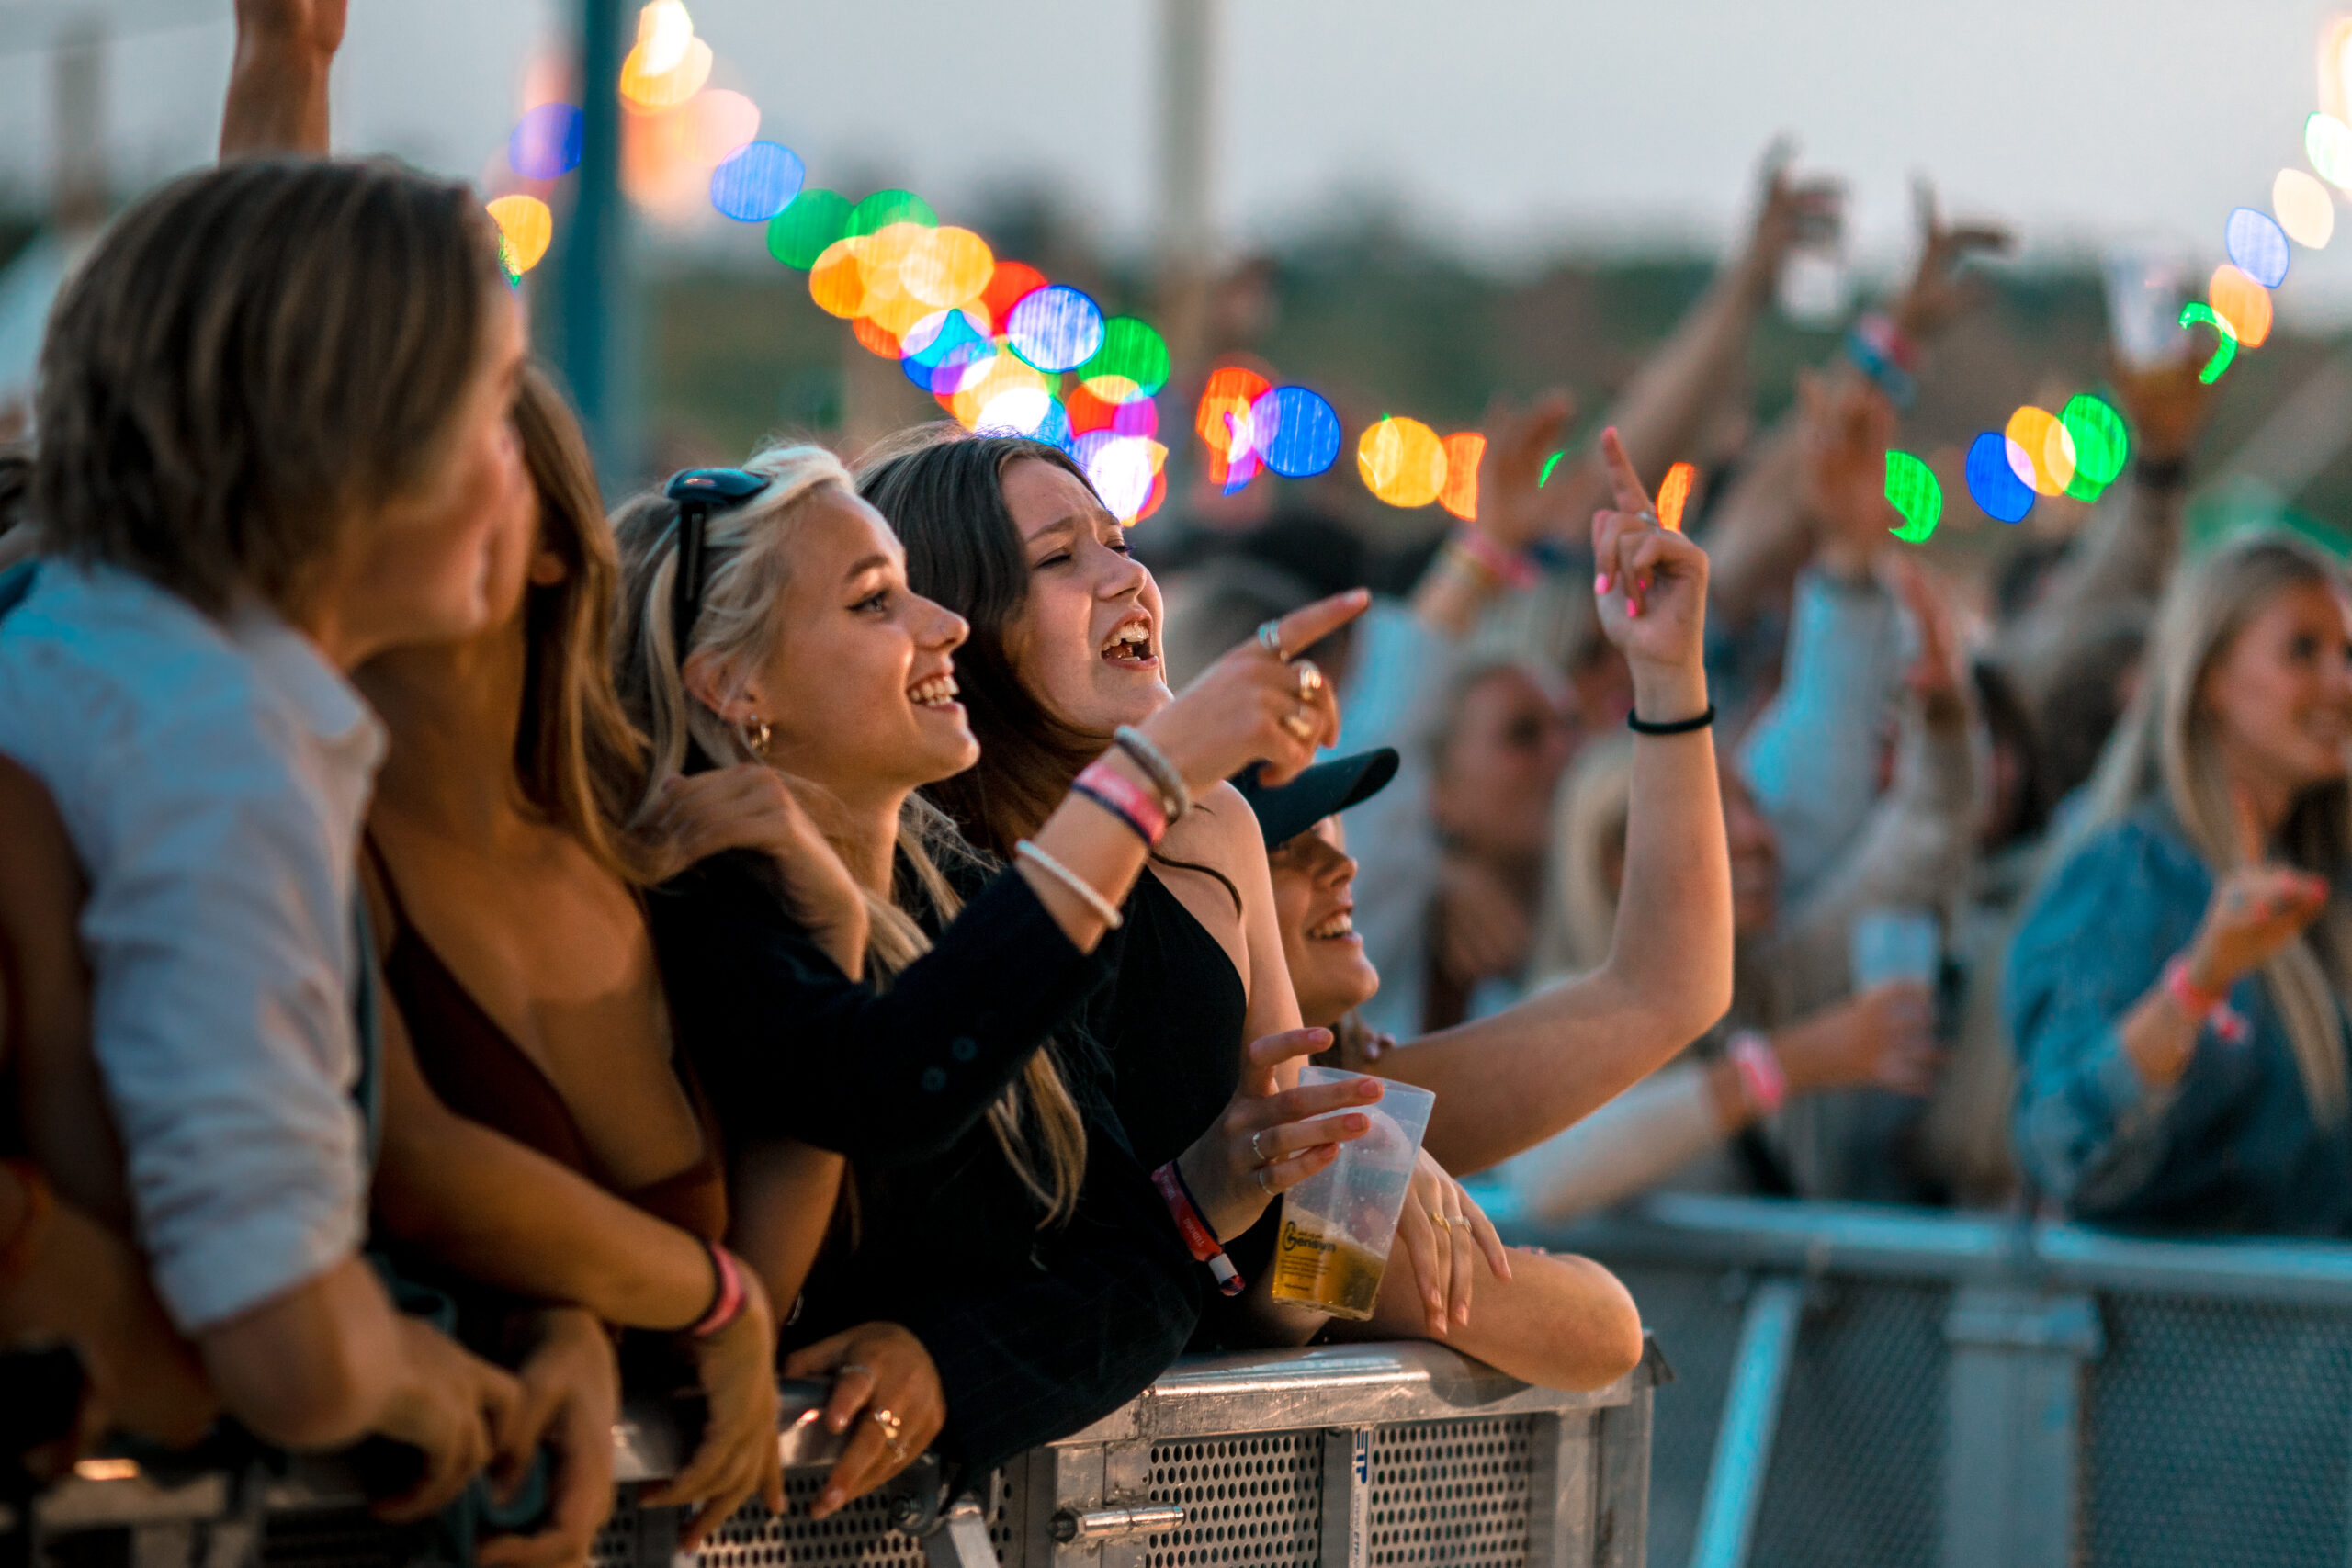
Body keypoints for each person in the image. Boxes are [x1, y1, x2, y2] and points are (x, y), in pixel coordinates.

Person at [614, 442, 1378, 1493]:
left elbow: (1180, 1276)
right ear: (735, 686)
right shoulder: (700, 890)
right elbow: (884, 1086)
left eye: (1117, 540)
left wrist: (1353, 1183)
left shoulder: (991, 895)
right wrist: (1152, 777)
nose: (941, 627)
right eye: (877, 603)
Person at [867, 428, 1701, 1389]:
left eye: (1121, 542)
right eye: (1059, 556)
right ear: (952, 624)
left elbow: (1287, 1275)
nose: (1125, 578)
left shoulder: (1218, 837)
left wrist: (1357, 1179)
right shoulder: (919, 895)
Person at [0, 156, 527, 1510]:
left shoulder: (68, 632)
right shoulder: (218, 755)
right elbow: (282, 1332)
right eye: (494, 405)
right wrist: (417, 1374)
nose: (514, 468)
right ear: (353, 436)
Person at [357, 369, 787, 1549]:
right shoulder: (316, 824)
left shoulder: (630, 834)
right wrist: (692, 1304)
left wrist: (840, 931)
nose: (377, 493)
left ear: (555, 543)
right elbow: (409, 1173)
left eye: (445, 458)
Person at [2007, 533, 2352, 1234]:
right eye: (2302, 652)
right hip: (2189, 1337)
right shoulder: (2129, 876)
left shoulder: (2322, 876)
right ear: (2210, 679)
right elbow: (2062, 1142)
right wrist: (2200, 981)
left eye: (2348, 655)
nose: (2342, 682)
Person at [1494, 742, 1940, 1216]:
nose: (1755, 836)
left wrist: (1942, 726)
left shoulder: (1763, 985)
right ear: (1619, 862)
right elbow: (1545, 1177)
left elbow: (1915, 855)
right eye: (1710, 812)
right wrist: (1782, 1065)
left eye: (1753, 805)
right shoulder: (1560, 1013)